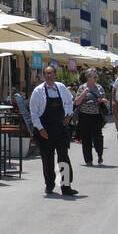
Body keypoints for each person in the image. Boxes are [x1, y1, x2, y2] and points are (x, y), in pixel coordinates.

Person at [29, 65, 78, 196]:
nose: (49, 76)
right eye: (46, 74)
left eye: (51, 73)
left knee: (64, 157)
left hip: (60, 128)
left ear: (55, 75)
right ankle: (49, 185)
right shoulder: (38, 91)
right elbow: (33, 112)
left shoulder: (61, 88)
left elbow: (69, 102)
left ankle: (66, 186)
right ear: (44, 76)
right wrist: (40, 129)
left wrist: (68, 115)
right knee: (47, 158)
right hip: (45, 129)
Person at [73, 68, 109, 165]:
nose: (96, 77)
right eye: (94, 76)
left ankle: (100, 154)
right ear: (88, 77)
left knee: (98, 137)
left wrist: (102, 100)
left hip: (96, 116)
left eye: (96, 76)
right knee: (86, 138)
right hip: (84, 116)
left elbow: (104, 99)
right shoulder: (82, 88)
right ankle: (88, 160)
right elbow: (76, 102)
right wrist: (84, 93)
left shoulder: (99, 88)